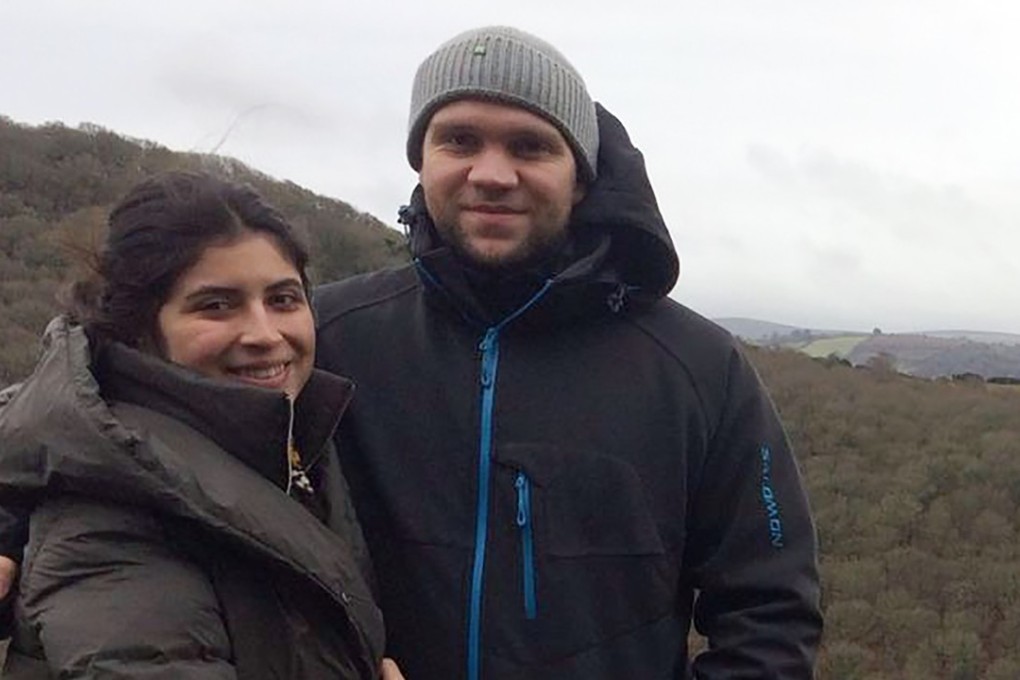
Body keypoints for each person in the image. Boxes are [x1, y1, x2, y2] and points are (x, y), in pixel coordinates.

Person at [311, 26, 823, 679]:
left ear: (581, 176)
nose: (492, 174)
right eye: (459, 140)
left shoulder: (699, 370)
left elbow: (772, 616)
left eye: (530, 146)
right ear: (421, 159)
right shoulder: (326, 338)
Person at [0, 172, 389, 678]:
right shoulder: (108, 519)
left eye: (283, 299)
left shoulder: (292, 441)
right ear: (141, 326)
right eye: (216, 305)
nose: (265, 333)